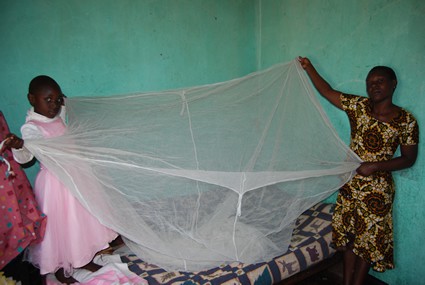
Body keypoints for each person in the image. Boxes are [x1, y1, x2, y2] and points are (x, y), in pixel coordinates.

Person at [298, 57, 419, 285]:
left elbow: (408, 159)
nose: (373, 85)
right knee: (350, 238)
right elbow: (327, 91)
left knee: (368, 241)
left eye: (380, 81)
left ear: (393, 84)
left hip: (378, 192)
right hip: (351, 185)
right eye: (369, 82)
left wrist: (376, 166)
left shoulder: (406, 120)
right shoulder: (359, 107)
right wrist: (308, 67)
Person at [3, 75, 119, 284]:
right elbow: (26, 157)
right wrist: (20, 145)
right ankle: (58, 267)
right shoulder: (32, 127)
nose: (53, 105)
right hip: (56, 184)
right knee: (61, 228)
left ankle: (82, 259)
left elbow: (61, 114)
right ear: (31, 99)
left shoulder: (57, 116)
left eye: (56, 100)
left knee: (81, 223)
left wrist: (61, 102)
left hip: (76, 177)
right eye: (48, 100)